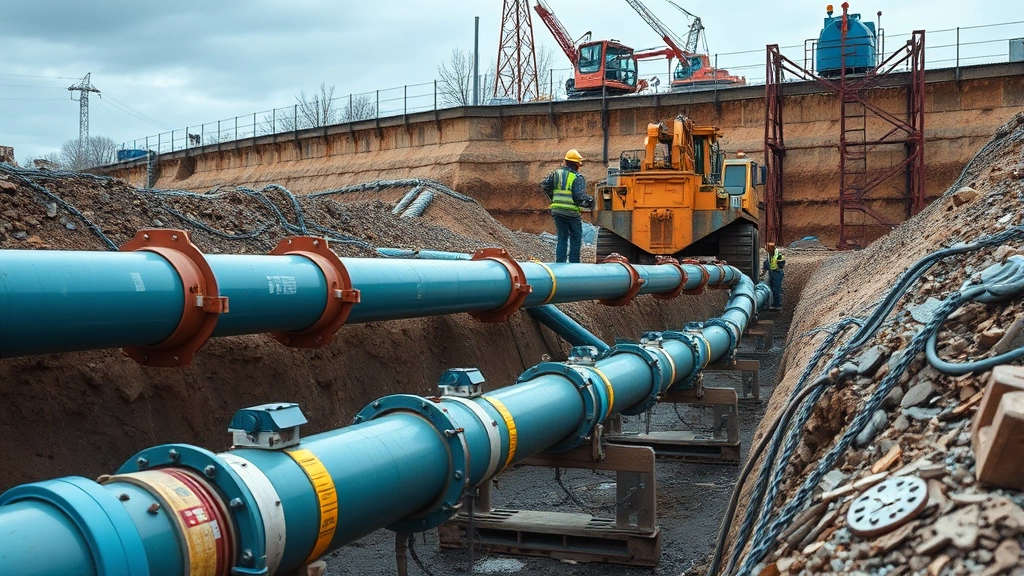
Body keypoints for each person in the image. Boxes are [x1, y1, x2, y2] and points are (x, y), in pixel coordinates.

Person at [542, 149, 594, 263]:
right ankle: (573, 266)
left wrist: (553, 198)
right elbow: (578, 197)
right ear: (577, 164)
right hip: (571, 213)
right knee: (575, 238)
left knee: (562, 238)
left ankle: (560, 264)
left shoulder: (556, 174)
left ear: (565, 161)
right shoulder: (577, 177)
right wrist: (590, 201)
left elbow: (545, 185)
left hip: (557, 211)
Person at [762, 241, 786, 310]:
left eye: (767, 247)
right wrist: (764, 271)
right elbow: (767, 263)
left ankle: (778, 305)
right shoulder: (769, 254)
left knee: (776, 289)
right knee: (772, 288)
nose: (766, 248)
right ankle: (774, 303)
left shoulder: (778, 255)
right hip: (772, 272)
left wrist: (777, 268)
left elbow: (782, 264)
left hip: (777, 273)